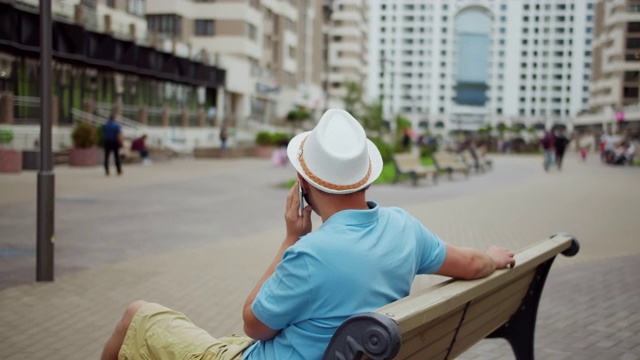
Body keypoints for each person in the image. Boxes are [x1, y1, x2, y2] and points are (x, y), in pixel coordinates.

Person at [100, 109, 515, 360]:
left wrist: (289, 240)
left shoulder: (310, 254)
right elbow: (473, 263)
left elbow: (253, 325)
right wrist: (494, 258)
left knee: (138, 314)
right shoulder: (404, 227)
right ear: (365, 178)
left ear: (304, 185)